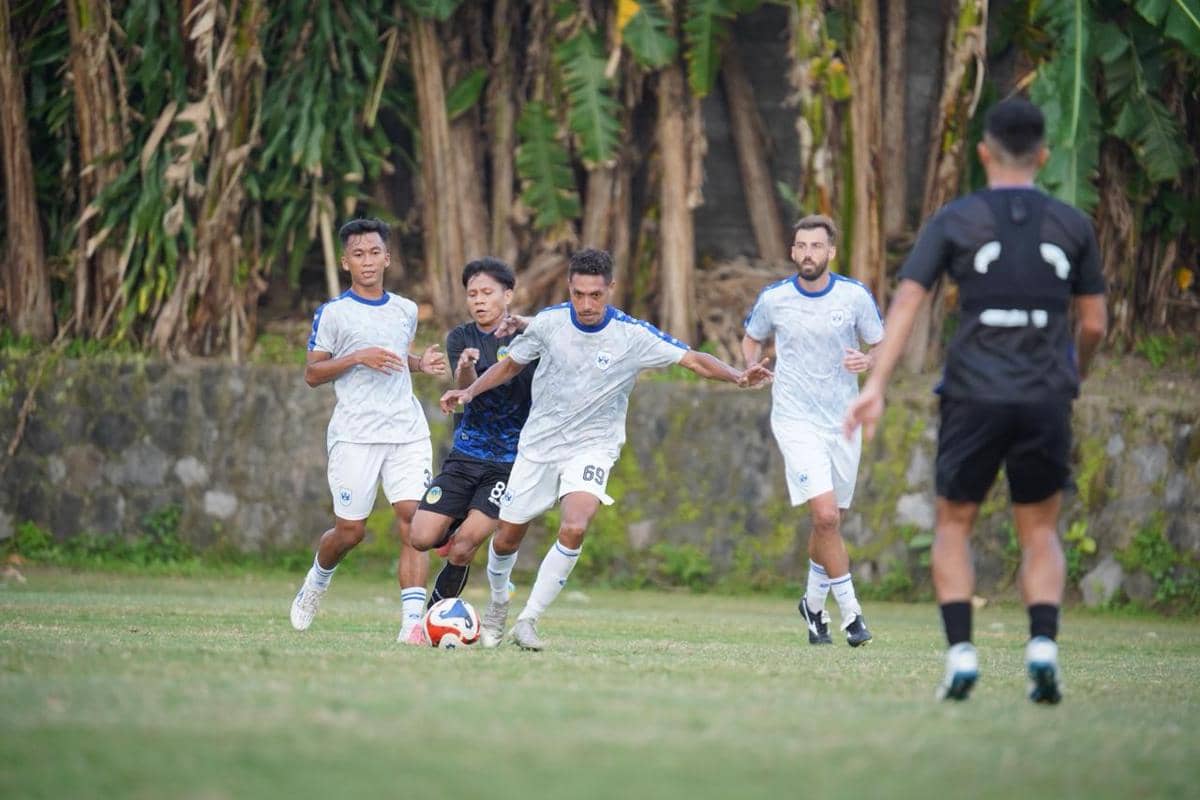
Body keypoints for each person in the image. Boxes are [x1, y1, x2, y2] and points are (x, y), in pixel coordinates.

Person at [843, 98, 1107, 703]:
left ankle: (961, 655)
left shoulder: (956, 220)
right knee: (1040, 529)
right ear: (1043, 156)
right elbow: (1093, 325)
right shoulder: (1073, 225)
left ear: (983, 153)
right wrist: (1072, 374)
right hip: (1044, 395)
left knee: (954, 524)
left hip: (973, 394)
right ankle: (1042, 646)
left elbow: (909, 301)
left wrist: (876, 386)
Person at [440, 248, 772, 650]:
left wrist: (738, 377)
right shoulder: (549, 323)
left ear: (610, 289)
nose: (586, 304)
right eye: (578, 294)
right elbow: (510, 365)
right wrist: (470, 390)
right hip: (539, 445)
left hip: (592, 446)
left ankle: (528, 620)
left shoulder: (632, 335)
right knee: (507, 538)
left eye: (595, 295)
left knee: (576, 524)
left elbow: (693, 360)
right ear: (570, 288)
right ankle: (497, 603)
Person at [289, 217, 448, 643]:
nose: (368, 262)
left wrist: (420, 364)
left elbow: (396, 356)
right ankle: (317, 581)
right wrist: (356, 357)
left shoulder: (406, 309)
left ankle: (412, 623)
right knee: (350, 532)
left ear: (387, 257)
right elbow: (312, 373)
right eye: (358, 254)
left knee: (416, 522)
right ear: (346, 262)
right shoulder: (334, 314)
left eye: (375, 253)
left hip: (406, 431)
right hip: (355, 436)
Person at [741, 214, 884, 648]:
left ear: (830, 252)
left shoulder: (855, 296)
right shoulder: (775, 299)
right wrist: (750, 365)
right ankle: (852, 616)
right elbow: (752, 338)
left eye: (815, 246)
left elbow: (880, 344)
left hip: (843, 421)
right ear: (792, 252)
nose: (807, 254)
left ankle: (812, 605)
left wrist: (869, 362)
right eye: (801, 246)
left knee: (831, 522)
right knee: (824, 516)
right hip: (794, 418)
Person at [407, 258, 534, 639]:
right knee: (421, 537)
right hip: (465, 455)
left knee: (463, 548)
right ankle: (456, 521)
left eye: (487, 293)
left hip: (508, 463)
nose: (478, 301)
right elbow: (465, 390)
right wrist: (464, 368)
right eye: (472, 294)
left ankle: (433, 618)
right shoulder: (460, 337)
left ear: (507, 295)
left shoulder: (530, 338)